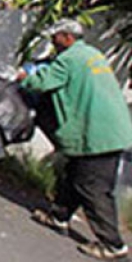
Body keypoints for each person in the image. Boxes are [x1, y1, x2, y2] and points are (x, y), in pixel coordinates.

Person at [17, 18, 132, 260]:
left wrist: (22, 77)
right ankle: (59, 217)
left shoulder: (68, 59)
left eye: (55, 36)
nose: (52, 41)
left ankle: (113, 244)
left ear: (67, 37)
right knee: (75, 174)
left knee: (93, 187)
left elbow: (42, 82)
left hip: (96, 134)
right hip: (114, 129)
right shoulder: (92, 54)